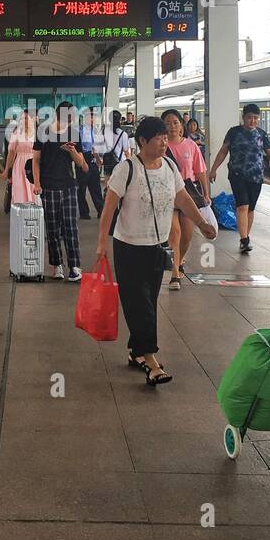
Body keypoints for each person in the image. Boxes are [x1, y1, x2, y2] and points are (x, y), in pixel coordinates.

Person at [97, 116, 217, 384]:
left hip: (158, 245)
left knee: (148, 302)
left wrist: (201, 223)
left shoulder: (169, 167)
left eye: (166, 137)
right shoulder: (126, 169)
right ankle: (151, 360)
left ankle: (135, 351)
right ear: (142, 141)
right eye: (159, 138)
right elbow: (109, 207)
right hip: (128, 246)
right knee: (139, 304)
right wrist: (102, 243)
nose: (165, 142)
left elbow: (182, 197)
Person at [208, 103, 270, 254]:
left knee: (250, 208)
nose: (253, 121)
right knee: (242, 206)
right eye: (250, 118)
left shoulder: (261, 134)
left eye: (256, 118)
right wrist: (214, 169)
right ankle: (244, 239)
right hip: (237, 174)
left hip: (256, 176)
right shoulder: (234, 132)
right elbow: (223, 151)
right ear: (243, 118)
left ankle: (246, 236)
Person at [33, 101, 89, 281]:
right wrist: (36, 183)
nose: (72, 118)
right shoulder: (43, 131)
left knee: (71, 226)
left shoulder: (73, 133)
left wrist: (72, 151)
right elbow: (35, 160)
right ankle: (57, 265)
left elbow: (81, 163)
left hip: (69, 186)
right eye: (70, 114)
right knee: (52, 228)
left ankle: (74, 266)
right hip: (48, 186)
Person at [162, 109, 209, 291]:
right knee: (175, 233)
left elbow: (200, 171)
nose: (172, 126)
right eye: (167, 123)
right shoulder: (161, 145)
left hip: (188, 196)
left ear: (181, 125)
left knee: (187, 235)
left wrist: (205, 193)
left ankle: (180, 259)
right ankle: (175, 273)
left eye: (175, 122)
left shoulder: (191, 146)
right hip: (168, 196)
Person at [5, 108, 37, 209]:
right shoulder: (16, 134)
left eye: (28, 118)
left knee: (33, 190)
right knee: (20, 190)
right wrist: (6, 170)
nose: (25, 121)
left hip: (33, 165)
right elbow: (11, 153)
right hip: (19, 165)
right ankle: (19, 214)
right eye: (23, 118)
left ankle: (34, 216)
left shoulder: (38, 134)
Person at [76, 108, 104, 219]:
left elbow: (95, 147)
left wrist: (97, 159)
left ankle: (101, 210)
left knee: (96, 187)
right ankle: (84, 212)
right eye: (91, 117)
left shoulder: (94, 130)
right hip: (83, 158)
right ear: (86, 117)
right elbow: (80, 148)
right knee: (81, 189)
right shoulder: (81, 130)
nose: (93, 119)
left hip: (92, 159)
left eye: (94, 117)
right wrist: (82, 163)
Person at [102, 110, 131, 179]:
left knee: (108, 185)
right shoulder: (123, 134)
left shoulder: (104, 132)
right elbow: (126, 152)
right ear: (119, 120)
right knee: (119, 187)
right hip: (120, 163)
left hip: (107, 162)